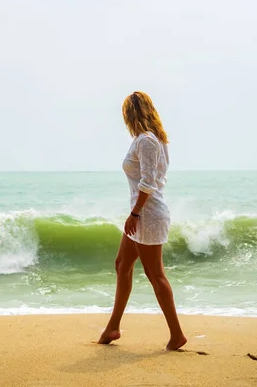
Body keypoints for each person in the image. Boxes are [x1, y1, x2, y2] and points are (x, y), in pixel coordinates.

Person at [98, 91, 187, 350]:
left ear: (130, 113)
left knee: (155, 274)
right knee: (122, 264)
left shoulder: (147, 141)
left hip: (146, 214)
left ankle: (177, 334)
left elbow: (148, 182)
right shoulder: (150, 139)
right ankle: (113, 328)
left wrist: (135, 213)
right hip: (143, 213)